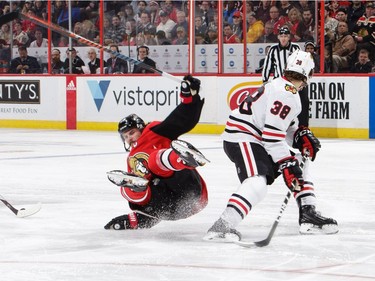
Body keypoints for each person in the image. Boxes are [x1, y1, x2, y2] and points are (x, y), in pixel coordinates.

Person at [204, 50, 338, 242]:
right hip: (243, 137)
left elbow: (279, 128)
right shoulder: (288, 95)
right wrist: (286, 164)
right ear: (310, 75)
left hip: (251, 135)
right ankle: (222, 227)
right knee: (258, 183)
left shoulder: (279, 85)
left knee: (301, 159)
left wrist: (299, 137)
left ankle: (307, 213)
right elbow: (272, 138)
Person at [104, 75, 209, 230]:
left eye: (131, 133)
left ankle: (180, 159)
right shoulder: (131, 158)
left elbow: (181, 121)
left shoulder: (153, 132)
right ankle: (138, 193)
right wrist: (138, 218)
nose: (129, 138)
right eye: (125, 136)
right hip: (171, 208)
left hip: (191, 194)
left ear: (141, 128)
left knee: (154, 161)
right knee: (129, 186)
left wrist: (189, 99)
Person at [262, 25, 310, 127]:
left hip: (295, 83)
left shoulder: (295, 47)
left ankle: (303, 127)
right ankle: (282, 126)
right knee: (281, 106)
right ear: (278, 37)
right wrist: (265, 81)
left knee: (304, 102)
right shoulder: (273, 49)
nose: (283, 38)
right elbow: (267, 66)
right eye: (281, 36)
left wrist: (302, 81)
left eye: (286, 36)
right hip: (280, 84)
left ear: (289, 37)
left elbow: (301, 64)